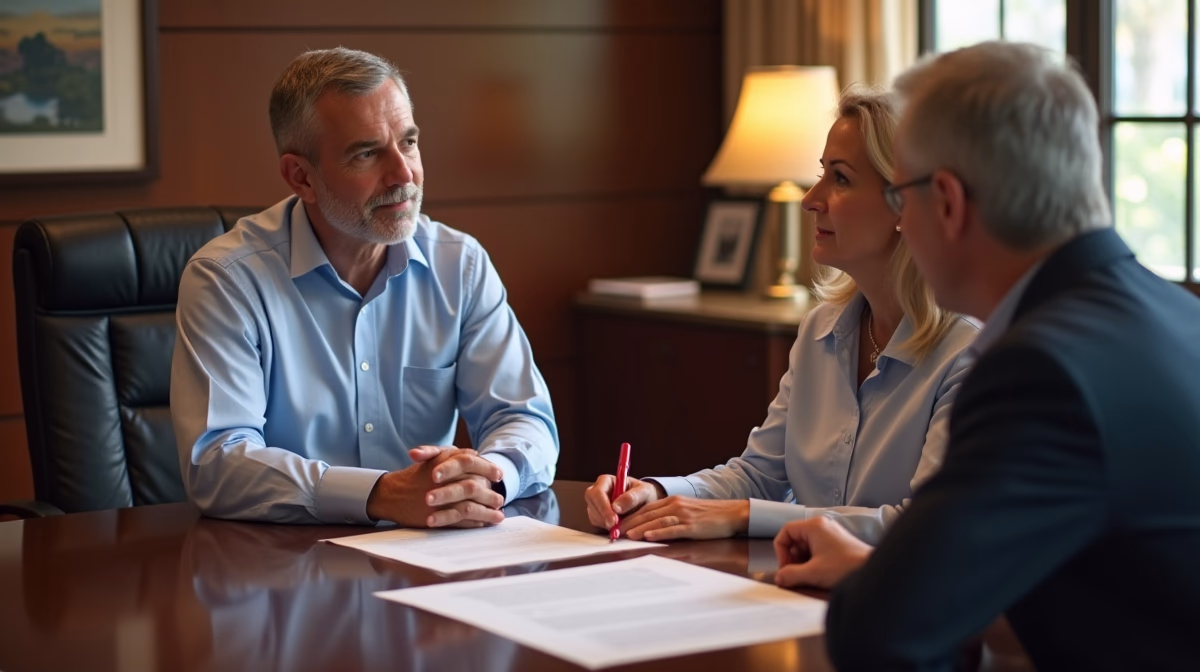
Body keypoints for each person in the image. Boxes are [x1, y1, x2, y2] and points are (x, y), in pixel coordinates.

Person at [773, 41, 1200, 670]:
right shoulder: (1178, 317)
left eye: (903, 196)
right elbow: (1114, 577)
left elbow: (879, 632)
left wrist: (881, 586)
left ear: (946, 202)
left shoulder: (1040, 371)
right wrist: (880, 566)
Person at [170, 47, 558, 528]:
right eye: (367, 153)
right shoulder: (227, 279)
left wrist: (487, 478)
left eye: (409, 143)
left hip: (432, 557)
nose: (404, 174)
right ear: (301, 177)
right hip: (282, 571)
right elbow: (217, 463)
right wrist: (379, 494)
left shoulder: (459, 264)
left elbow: (525, 419)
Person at [584, 85, 979, 545]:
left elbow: (926, 527)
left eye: (842, 178)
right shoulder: (819, 330)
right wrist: (655, 493)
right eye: (821, 174)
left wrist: (748, 516)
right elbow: (757, 476)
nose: (811, 198)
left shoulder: (968, 353)